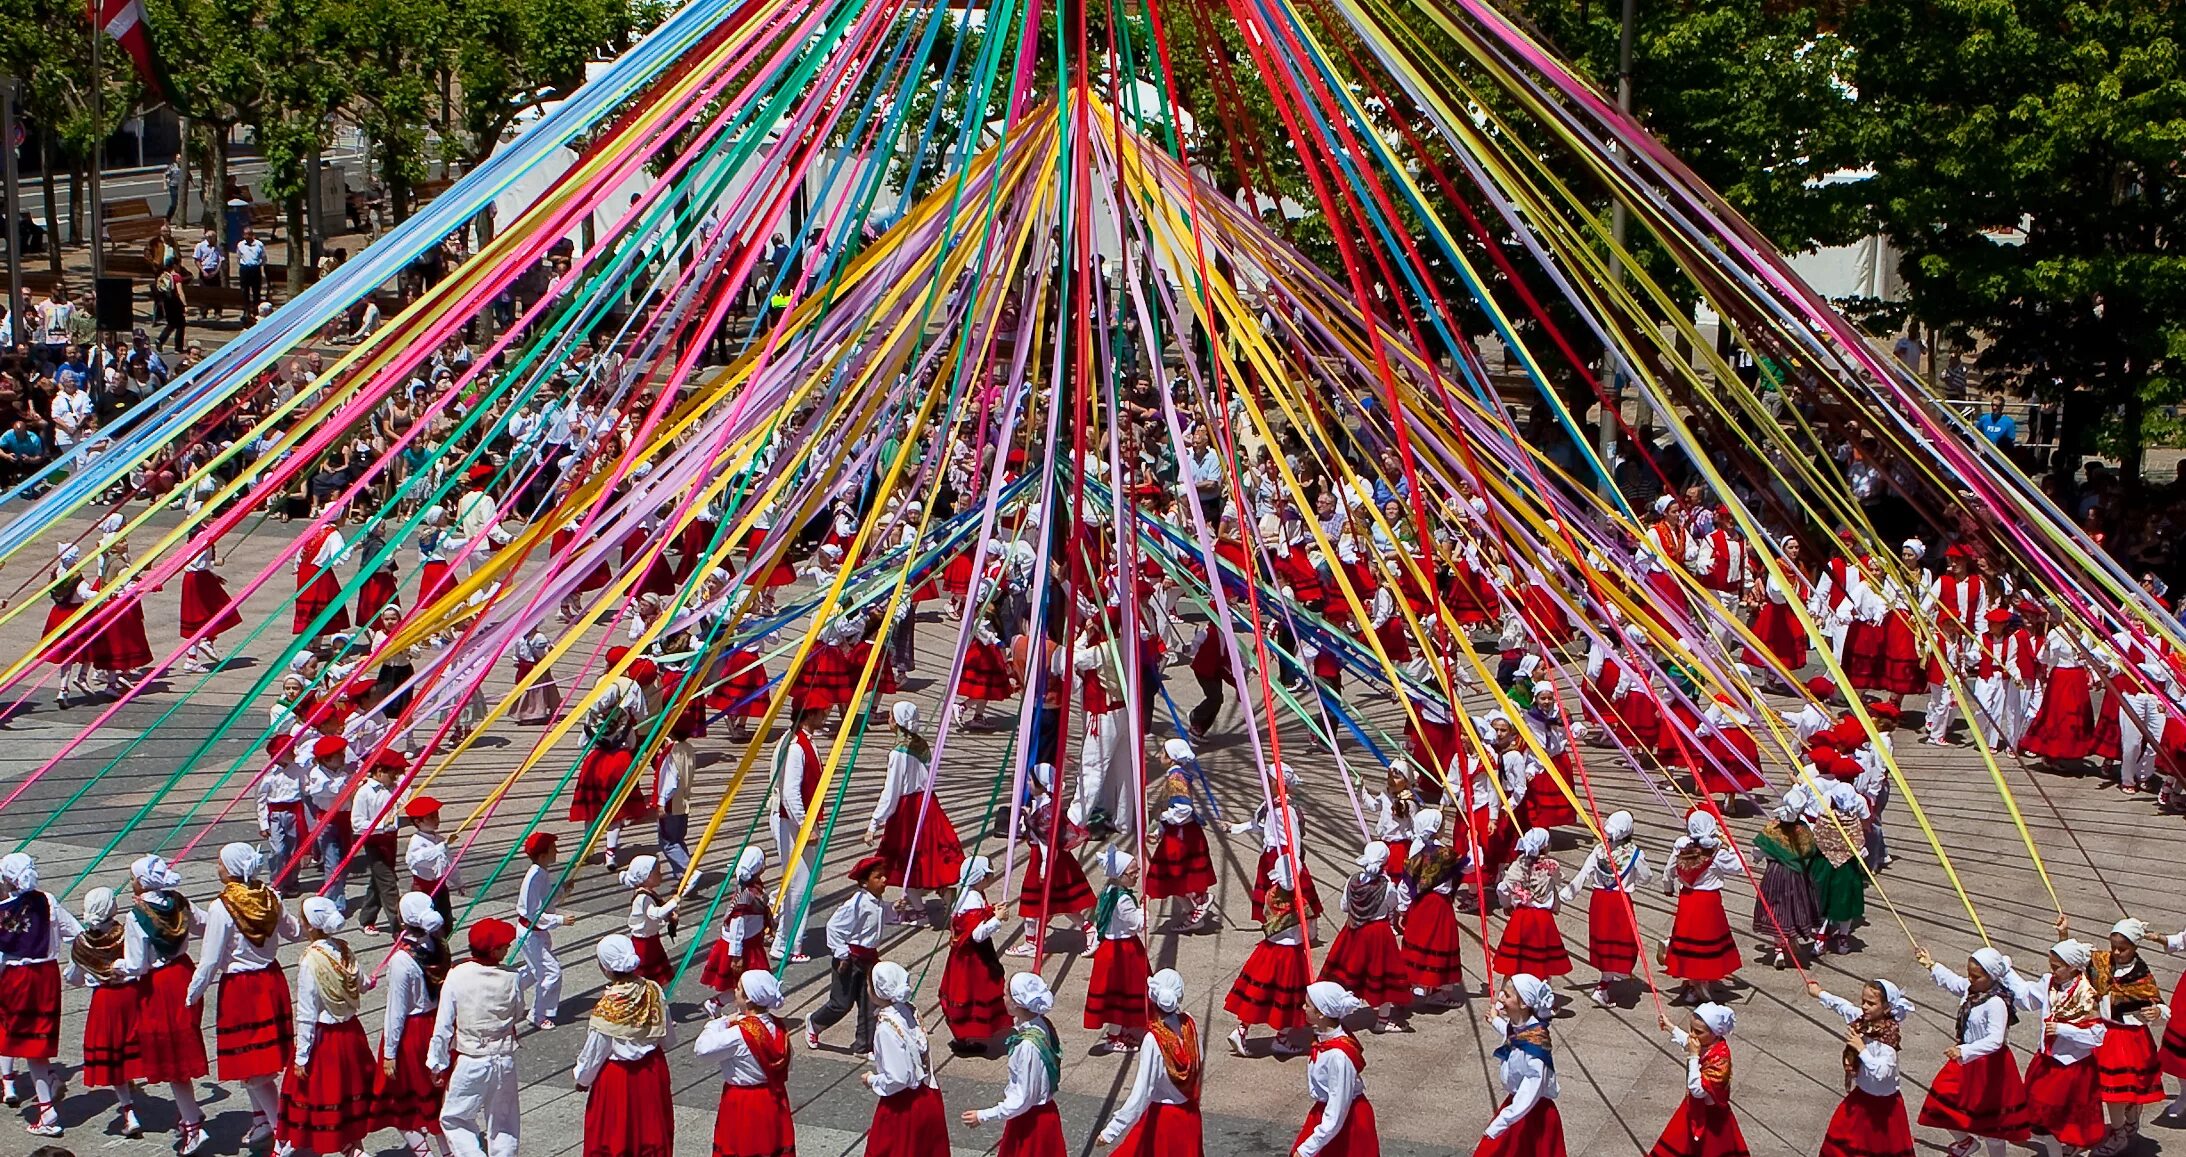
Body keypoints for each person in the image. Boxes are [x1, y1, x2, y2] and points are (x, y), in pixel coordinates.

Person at [187, 842, 302, 1149]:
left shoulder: (222, 906)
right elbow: (293, 932)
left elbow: (210, 960)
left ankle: (283, 1129)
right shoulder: (271, 896)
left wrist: (192, 994)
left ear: (233, 868)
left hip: (241, 989)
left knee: (254, 1066)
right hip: (271, 980)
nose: (217, 867)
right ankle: (261, 1118)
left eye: (221, 863)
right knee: (255, 1060)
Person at [123, 855, 210, 1153]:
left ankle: (193, 1125)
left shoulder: (136, 915)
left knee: (174, 1061)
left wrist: (115, 966)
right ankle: (190, 1115)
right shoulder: (179, 901)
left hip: (159, 986)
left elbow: (137, 965)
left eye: (132, 876)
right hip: (184, 973)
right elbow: (205, 925)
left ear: (141, 881)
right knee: (184, 1045)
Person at [277, 897, 376, 1156]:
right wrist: (370, 982)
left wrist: (301, 1056)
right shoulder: (344, 949)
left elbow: (307, 1013)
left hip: (326, 1040)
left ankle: (327, 1146)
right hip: (351, 1034)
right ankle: (354, 1148)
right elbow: (362, 982)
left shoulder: (311, 960)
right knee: (348, 1096)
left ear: (311, 926)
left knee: (316, 1097)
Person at [1915, 945, 2031, 1156]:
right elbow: (1953, 982)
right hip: (1966, 1059)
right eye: (1969, 974)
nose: (1970, 979)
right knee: (1940, 1102)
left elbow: (1995, 1040)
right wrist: (1931, 965)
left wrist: (1965, 1051)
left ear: (1991, 977)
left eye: (1975, 976)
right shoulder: (1973, 990)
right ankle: (1966, 1142)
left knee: (1992, 1125)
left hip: (1990, 1066)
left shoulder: (1996, 1002)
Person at [429, 918, 526, 1157]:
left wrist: (437, 1062)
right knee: (504, 1121)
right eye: (504, 946)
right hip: (503, 1059)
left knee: (454, 1117)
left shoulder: (457, 974)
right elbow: (518, 1013)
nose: (508, 949)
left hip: (471, 1058)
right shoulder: (512, 977)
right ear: (493, 950)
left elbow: (443, 1024)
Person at [0, 854, 80, 1138]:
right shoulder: (48, 900)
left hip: (17, 980)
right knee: (38, 1044)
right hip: (47, 978)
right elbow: (77, 934)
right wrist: (80, 968)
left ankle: (46, 1109)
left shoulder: (3, 910)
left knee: (25, 1044)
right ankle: (41, 1088)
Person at [574, 935, 675, 1157]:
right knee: (651, 1131)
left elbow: (596, 1050)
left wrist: (582, 1079)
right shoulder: (653, 990)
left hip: (618, 1079)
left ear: (605, 968)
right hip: (652, 1070)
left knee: (616, 1135)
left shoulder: (609, 1004)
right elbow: (668, 1038)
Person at [865, 700, 965, 920]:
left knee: (902, 859)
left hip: (907, 810)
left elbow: (891, 791)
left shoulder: (898, 753)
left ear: (898, 722)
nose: (889, 720)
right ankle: (942, 891)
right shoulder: (921, 745)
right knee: (928, 856)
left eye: (891, 716)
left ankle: (919, 912)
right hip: (928, 805)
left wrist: (874, 822)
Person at [2017, 933, 2106, 1157]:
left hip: (2072, 1067)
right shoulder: (2049, 983)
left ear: (2073, 967)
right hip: (2046, 1062)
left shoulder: (2086, 994)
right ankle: (2057, 1152)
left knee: (2060, 1120)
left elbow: (2097, 1037)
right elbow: (2027, 997)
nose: (2052, 970)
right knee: (2036, 1116)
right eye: (2052, 965)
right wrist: (2004, 971)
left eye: (2057, 967)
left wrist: (2064, 1030)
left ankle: (2064, 1150)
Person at [1098, 969, 1203, 1157]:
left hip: (1162, 1121)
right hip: (1190, 1116)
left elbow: (1142, 1092)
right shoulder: (1190, 1024)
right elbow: (1198, 1062)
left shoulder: (1153, 1039)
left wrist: (1111, 1131)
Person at [64, 887, 143, 1139]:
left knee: (114, 1057)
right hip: (131, 995)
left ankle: (129, 1112)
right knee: (137, 1047)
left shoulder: (82, 942)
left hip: (104, 1000)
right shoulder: (126, 931)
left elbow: (73, 977)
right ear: (112, 908)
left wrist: (93, 975)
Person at [375, 893, 450, 1157]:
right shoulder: (438, 946)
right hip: (435, 1024)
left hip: (412, 1032)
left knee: (399, 1100)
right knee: (435, 1094)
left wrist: (389, 1053)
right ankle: (447, 1151)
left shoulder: (401, 960)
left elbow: (397, 1009)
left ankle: (424, 1153)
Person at [1808, 976, 1916, 1157]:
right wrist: (1819, 993)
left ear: (1886, 1007)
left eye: (1871, 1003)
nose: (1865, 1006)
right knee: (1842, 1136)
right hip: (1862, 1097)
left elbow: (1881, 1072)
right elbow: (1843, 1006)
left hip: (1884, 1108)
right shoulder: (1864, 1023)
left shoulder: (1887, 1041)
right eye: (1863, 1001)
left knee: (1877, 1149)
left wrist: (1861, 1048)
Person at [963, 972, 1067, 1156]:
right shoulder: (1042, 1024)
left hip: (1031, 1123)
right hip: (1042, 1116)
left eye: (1007, 994)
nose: (1003, 997)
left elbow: (1022, 1099)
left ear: (1016, 1003)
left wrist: (983, 1115)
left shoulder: (1027, 1046)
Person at [695, 969, 795, 1157]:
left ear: (749, 999)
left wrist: (719, 1023)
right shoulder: (779, 1027)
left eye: (739, 989)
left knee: (742, 1147)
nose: (735, 991)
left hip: (743, 1102)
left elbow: (702, 1049)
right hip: (773, 1098)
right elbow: (789, 1065)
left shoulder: (738, 1033)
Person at [1318, 842, 1409, 1033]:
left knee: (1347, 974)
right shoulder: (1388, 887)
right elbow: (1393, 904)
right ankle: (1382, 1022)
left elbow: (1344, 906)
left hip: (1353, 931)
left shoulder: (1352, 881)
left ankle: (1336, 1015)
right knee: (1382, 976)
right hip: (1378, 933)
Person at [1226, 857, 1313, 1057]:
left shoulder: (1270, 895)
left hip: (1268, 951)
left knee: (1259, 993)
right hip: (1290, 954)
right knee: (1291, 997)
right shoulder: (1300, 902)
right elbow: (1306, 929)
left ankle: (1242, 1030)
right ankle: (1282, 1039)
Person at [1562, 810, 1650, 1007]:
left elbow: (1583, 874)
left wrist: (1566, 895)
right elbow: (1646, 878)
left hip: (1599, 901)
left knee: (1604, 940)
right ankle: (1604, 984)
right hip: (1620, 901)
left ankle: (1605, 982)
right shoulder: (1635, 854)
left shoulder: (1599, 851)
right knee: (1622, 940)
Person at [2092, 919, 2166, 1151]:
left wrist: (2157, 1012)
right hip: (2106, 1034)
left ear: (2135, 947)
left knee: (2124, 1091)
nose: (2116, 952)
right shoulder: (2102, 962)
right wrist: (2063, 936)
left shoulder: (2142, 976)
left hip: (2131, 1039)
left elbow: (2159, 1004)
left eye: (2122, 949)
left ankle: (2125, 1127)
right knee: (2112, 1092)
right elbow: (2071, 961)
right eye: (2113, 946)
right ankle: (2121, 1130)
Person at [863, 960, 950, 1157]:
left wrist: (872, 1079)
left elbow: (898, 1078)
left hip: (903, 1107)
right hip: (928, 1096)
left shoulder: (885, 1028)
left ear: (878, 992)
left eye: (869, 985)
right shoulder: (909, 1009)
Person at [1474, 974, 1563, 1157]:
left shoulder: (1534, 1050)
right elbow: (1512, 1033)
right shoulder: (1523, 1028)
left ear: (1523, 1004)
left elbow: (1528, 1093)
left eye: (1506, 995)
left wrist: (1499, 1124)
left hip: (1530, 1115)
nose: (1501, 998)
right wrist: (1495, 1020)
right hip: (1516, 1107)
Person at [806, 854, 887, 1056]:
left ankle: (863, 1046)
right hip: (850, 959)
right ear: (864, 883)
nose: (884, 880)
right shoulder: (856, 904)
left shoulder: (878, 901)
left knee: (869, 1003)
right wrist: (842, 954)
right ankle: (815, 1022)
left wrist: (896, 910)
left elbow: (880, 920)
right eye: (878, 877)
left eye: (884, 876)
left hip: (870, 959)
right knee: (841, 1003)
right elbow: (834, 927)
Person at [1661, 810, 1742, 1005]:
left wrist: (1668, 887)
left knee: (1688, 941)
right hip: (1709, 903)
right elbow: (1738, 867)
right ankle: (1700, 984)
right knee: (1708, 941)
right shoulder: (1718, 854)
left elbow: (1669, 871)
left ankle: (1692, 983)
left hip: (1688, 900)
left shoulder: (1681, 849)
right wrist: (1731, 846)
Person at [1648, 1003, 1749, 1157]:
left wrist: (1693, 1056)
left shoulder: (1720, 1059)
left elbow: (1697, 1090)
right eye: (1691, 1028)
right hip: (1694, 1109)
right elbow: (1689, 1041)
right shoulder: (1707, 1043)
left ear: (1715, 1033)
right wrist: (1670, 1026)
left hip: (1711, 1118)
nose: (1693, 1034)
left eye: (1698, 1032)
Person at [1294, 982, 1377, 1157]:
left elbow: (1338, 1107)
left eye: (1308, 1005)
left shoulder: (1338, 1056)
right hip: (1329, 1117)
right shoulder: (1328, 1041)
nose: (1303, 1007)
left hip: (1345, 1123)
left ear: (1322, 1014)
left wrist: (1308, 1149)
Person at [940, 855, 1009, 1054]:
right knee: (972, 994)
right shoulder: (971, 899)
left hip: (964, 957)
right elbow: (977, 934)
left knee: (964, 994)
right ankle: (968, 1038)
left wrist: (990, 910)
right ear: (980, 878)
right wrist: (996, 919)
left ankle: (966, 1036)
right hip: (972, 960)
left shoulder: (969, 894)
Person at [1084, 847, 1151, 1052]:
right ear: (1120, 875)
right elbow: (1136, 924)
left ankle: (1119, 1032)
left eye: (1137, 871)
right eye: (1132, 873)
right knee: (1124, 991)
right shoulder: (1122, 899)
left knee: (1118, 993)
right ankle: (1113, 1038)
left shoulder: (1108, 891)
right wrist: (1144, 909)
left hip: (1112, 947)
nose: (1136, 876)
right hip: (1122, 950)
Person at [1400, 809, 1466, 1005]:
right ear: (1436, 829)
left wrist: (1403, 908)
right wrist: (1474, 845)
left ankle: (1416, 984)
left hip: (1419, 904)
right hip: (1438, 907)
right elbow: (1469, 866)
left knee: (1419, 940)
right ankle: (1437, 991)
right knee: (1439, 944)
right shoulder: (1447, 854)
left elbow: (1405, 885)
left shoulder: (1415, 850)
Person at [700, 847, 774, 1017]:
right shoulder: (746, 896)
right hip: (742, 946)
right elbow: (737, 925)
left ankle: (717, 1004)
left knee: (744, 983)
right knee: (751, 982)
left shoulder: (753, 889)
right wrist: (736, 955)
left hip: (751, 942)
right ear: (759, 867)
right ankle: (746, 1013)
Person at [1492, 828, 1570, 982]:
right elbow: (1559, 880)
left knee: (1514, 963)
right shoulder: (1551, 865)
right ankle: (1543, 1000)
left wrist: (1506, 904)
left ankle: (1502, 1000)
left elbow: (1502, 888)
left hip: (1521, 917)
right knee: (1542, 964)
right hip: (1543, 919)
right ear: (1545, 846)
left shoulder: (1517, 865)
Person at [513, 832, 568, 1029]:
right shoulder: (534, 877)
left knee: (535, 970)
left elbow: (544, 901)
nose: (557, 852)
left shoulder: (541, 873)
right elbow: (533, 913)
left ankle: (505, 990)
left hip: (537, 932)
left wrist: (561, 892)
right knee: (550, 972)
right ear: (543, 855)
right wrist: (560, 920)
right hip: (531, 932)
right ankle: (538, 1014)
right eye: (554, 849)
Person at [619, 855, 680, 986]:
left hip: (651, 939)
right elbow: (655, 914)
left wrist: (670, 915)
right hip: (644, 943)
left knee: (653, 975)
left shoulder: (648, 893)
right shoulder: (642, 898)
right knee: (646, 976)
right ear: (645, 876)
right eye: (657, 872)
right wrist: (673, 902)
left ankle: (654, 997)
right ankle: (647, 997)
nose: (660, 874)